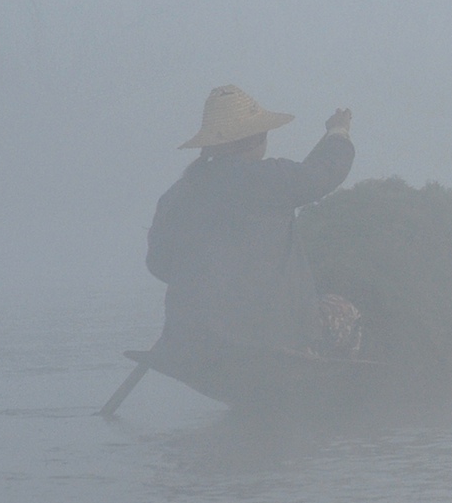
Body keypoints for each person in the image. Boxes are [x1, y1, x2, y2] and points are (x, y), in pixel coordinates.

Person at [147, 85, 356, 358]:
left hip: (189, 340)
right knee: (345, 312)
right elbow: (325, 171)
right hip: (266, 338)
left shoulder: (176, 195)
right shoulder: (268, 179)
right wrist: (339, 131)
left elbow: (158, 264)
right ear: (257, 137)